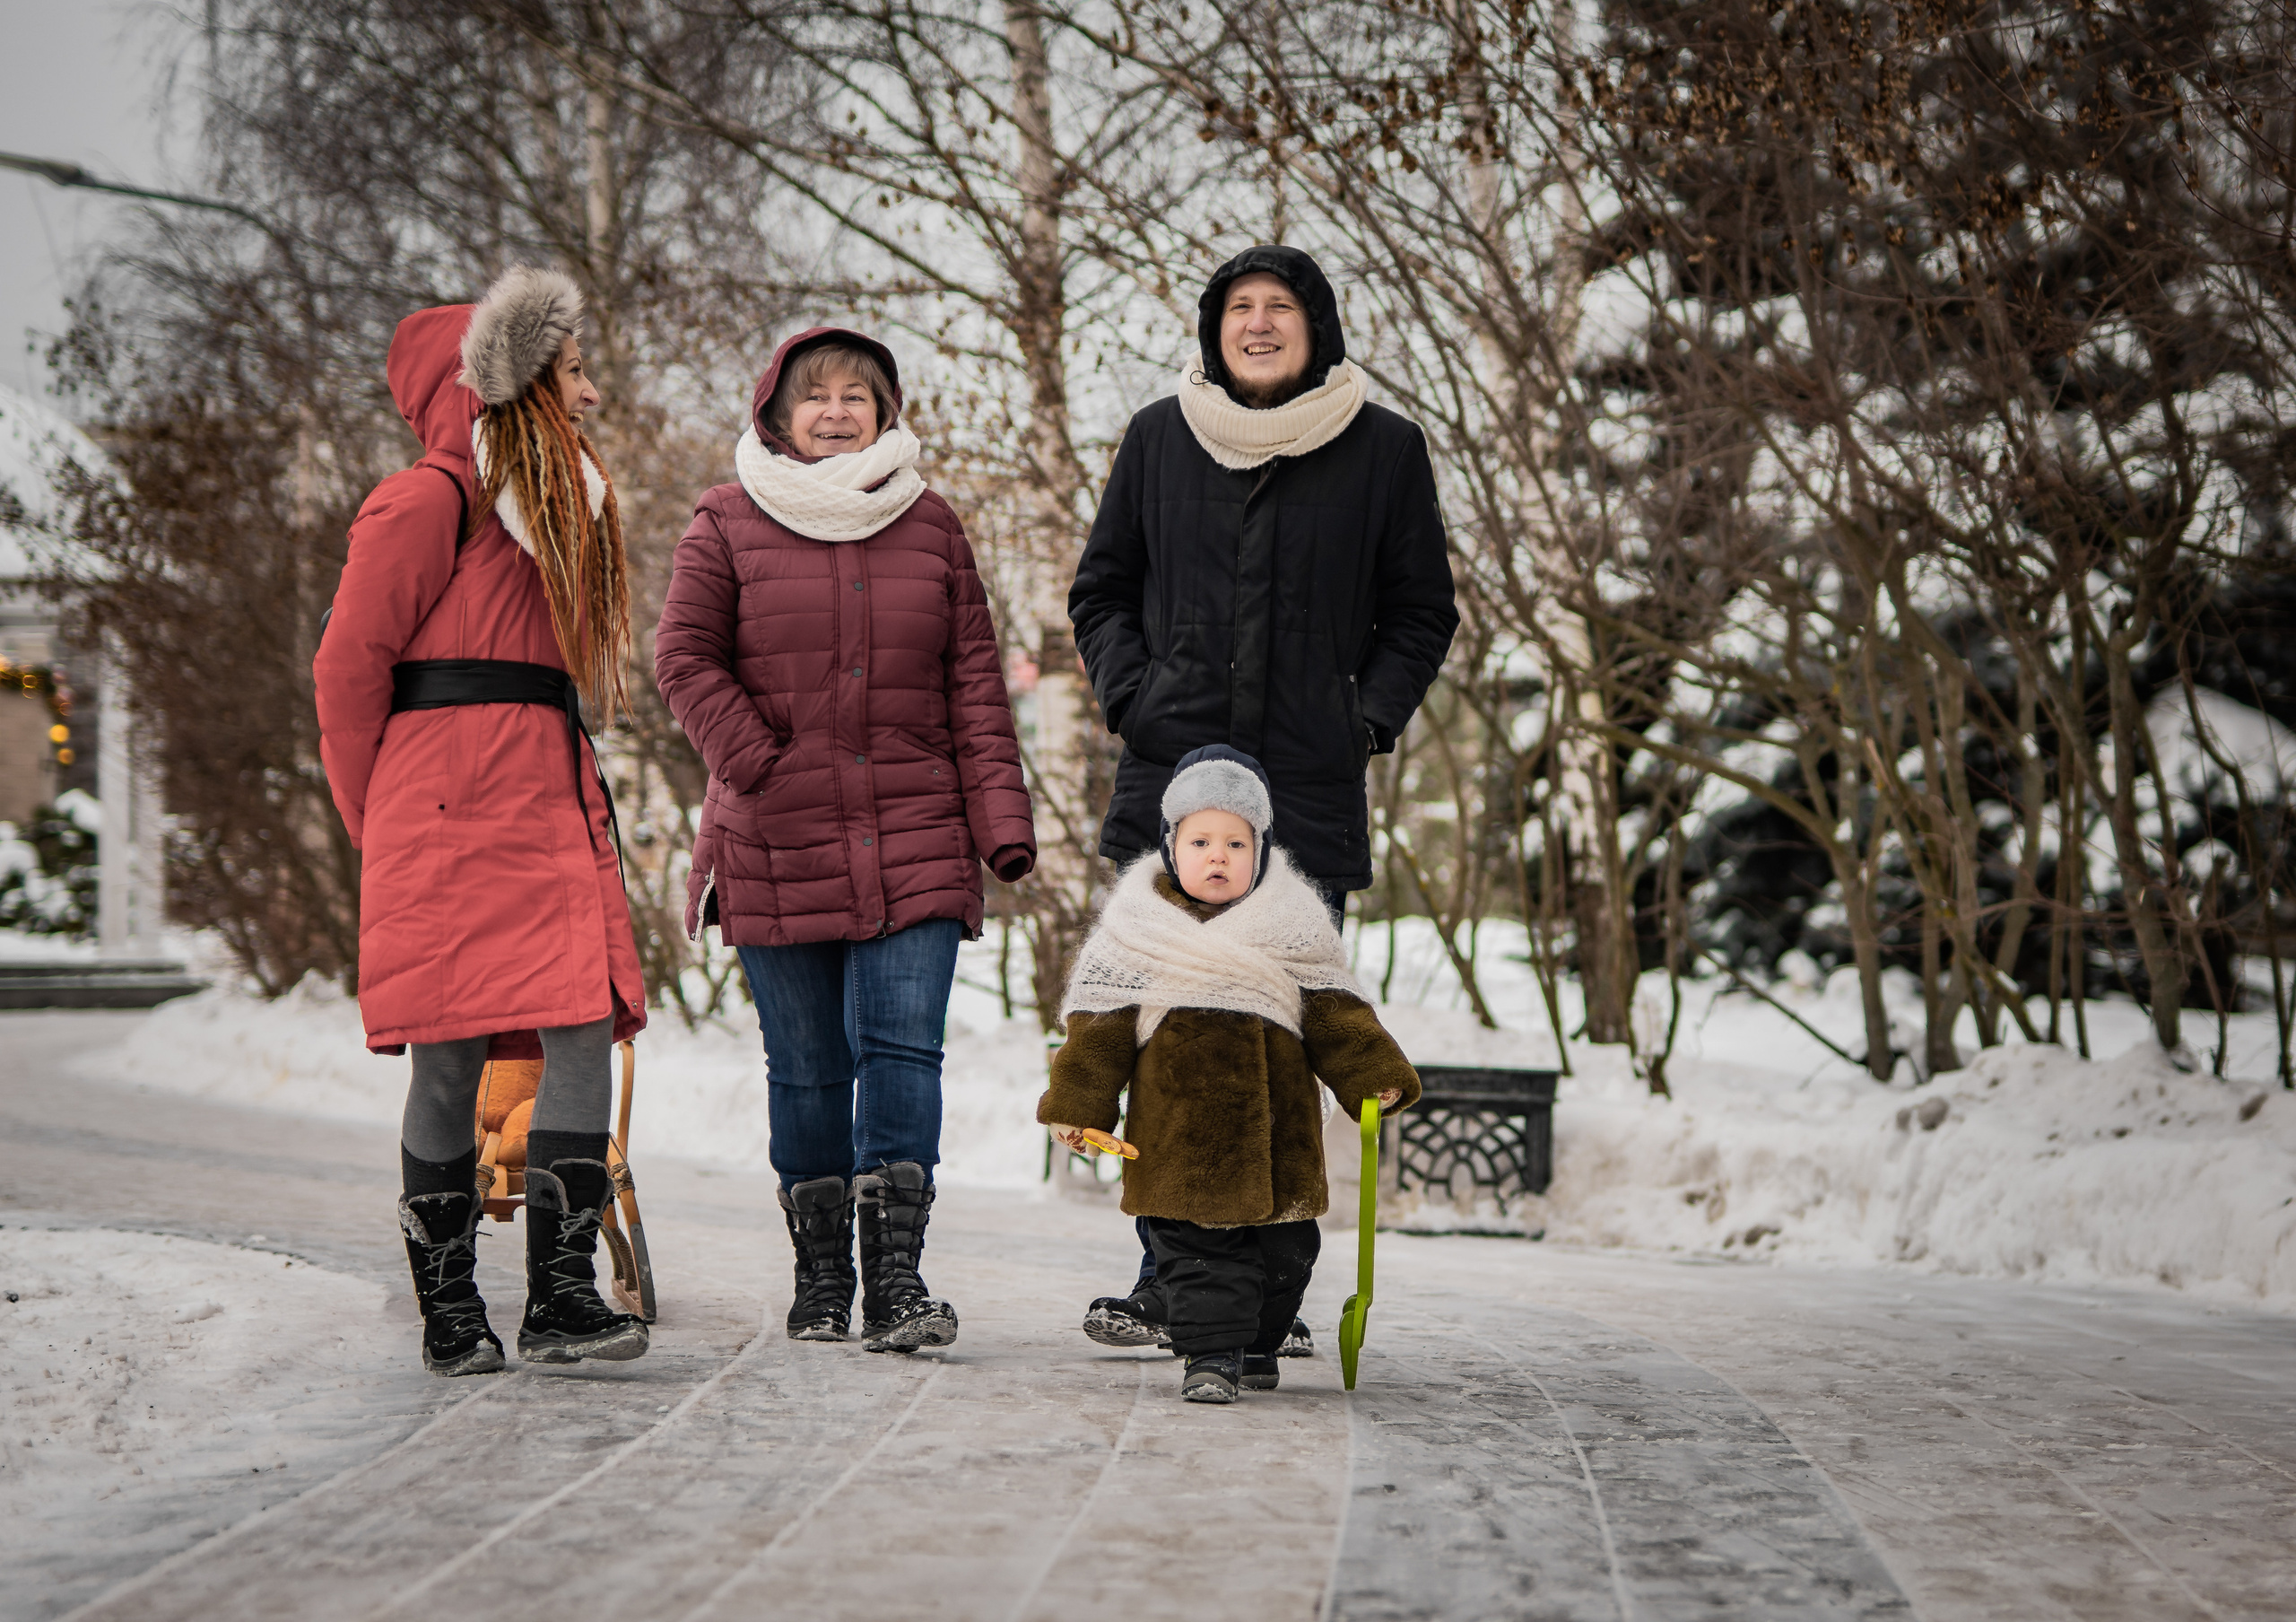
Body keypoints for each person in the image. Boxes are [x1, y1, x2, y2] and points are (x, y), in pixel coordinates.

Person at [1065, 245, 1458, 1348]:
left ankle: (1267, 1296)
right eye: (1238, 306)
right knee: (1165, 1043)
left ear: (1317, 326)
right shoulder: (1158, 437)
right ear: (1212, 329)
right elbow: (1100, 590)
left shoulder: (1383, 448)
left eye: (1279, 306)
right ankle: (1173, 1281)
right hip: (1171, 791)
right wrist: (1137, 698)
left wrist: (1363, 717)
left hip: (1308, 795)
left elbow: (1421, 609)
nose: (1257, 323)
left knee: (1281, 1043)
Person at [654, 327, 1035, 1354]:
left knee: (903, 1047)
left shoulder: (931, 525)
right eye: (814, 393)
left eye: (857, 395)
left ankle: (898, 1279)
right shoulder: (727, 519)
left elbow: (975, 689)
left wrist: (1001, 826)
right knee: (811, 1066)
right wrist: (761, 765)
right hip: (775, 832)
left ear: (886, 412)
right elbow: (681, 657)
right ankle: (821, 1274)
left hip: (915, 828)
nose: (836, 409)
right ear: (776, 412)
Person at [316, 266, 650, 1377]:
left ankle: (560, 1297)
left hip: (548, 795)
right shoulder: (425, 500)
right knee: (450, 1054)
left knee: (580, 1027)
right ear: (506, 383)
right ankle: (452, 1310)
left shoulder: (554, 509)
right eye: (567, 372)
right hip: (441, 808)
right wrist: (381, 826)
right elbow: (346, 669)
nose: (587, 392)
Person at [1039, 746, 1420, 1402]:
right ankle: (1211, 1357)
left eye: (1236, 842)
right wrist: (1080, 1103)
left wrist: (1371, 1076)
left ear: (1263, 851)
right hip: (1178, 1143)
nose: (1218, 856)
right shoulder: (1135, 930)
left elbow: (1338, 1017)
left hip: (1281, 1143)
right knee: (1199, 1259)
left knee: (1287, 1257)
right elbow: (1099, 1032)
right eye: (1201, 840)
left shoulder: (1295, 925)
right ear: (1170, 845)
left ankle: (1257, 1344)